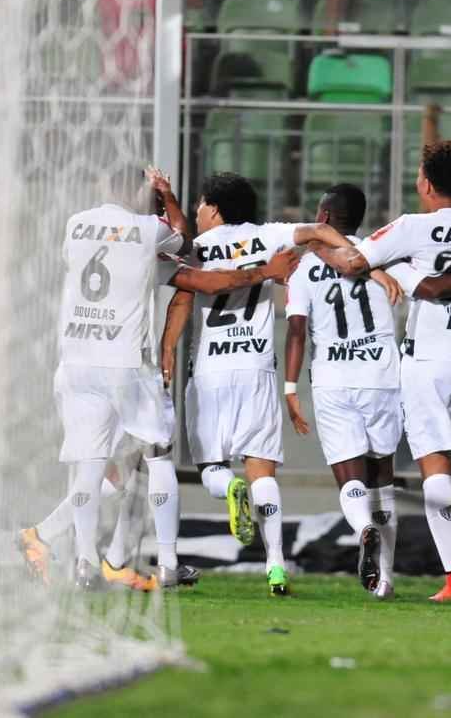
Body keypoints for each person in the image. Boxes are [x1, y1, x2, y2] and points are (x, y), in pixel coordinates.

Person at [18, 167, 298, 590]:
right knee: (152, 459)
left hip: (76, 363)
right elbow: (199, 269)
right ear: (144, 195)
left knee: (103, 469)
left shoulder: (76, 225)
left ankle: (85, 560)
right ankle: (164, 561)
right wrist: (262, 271)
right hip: (129, 366)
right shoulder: (151, 234)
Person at [312, 141, 451, 602]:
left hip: (430, 359)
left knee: (436, 465)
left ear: (424, 182)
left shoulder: (412, 228)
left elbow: (351, 263)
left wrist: (311, 239)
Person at [159, 172, 381, 596]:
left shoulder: (199, 249)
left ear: (215, 208)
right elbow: (319, 231)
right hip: (257, 367)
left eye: (202, 205)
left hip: (209, 370)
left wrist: (168, 349)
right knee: (263, 470)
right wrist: (360, 259)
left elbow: (184, 297)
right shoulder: (269, 236)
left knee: (211, 469)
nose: (198, 213)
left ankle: (229, 488)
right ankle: (276, 567)